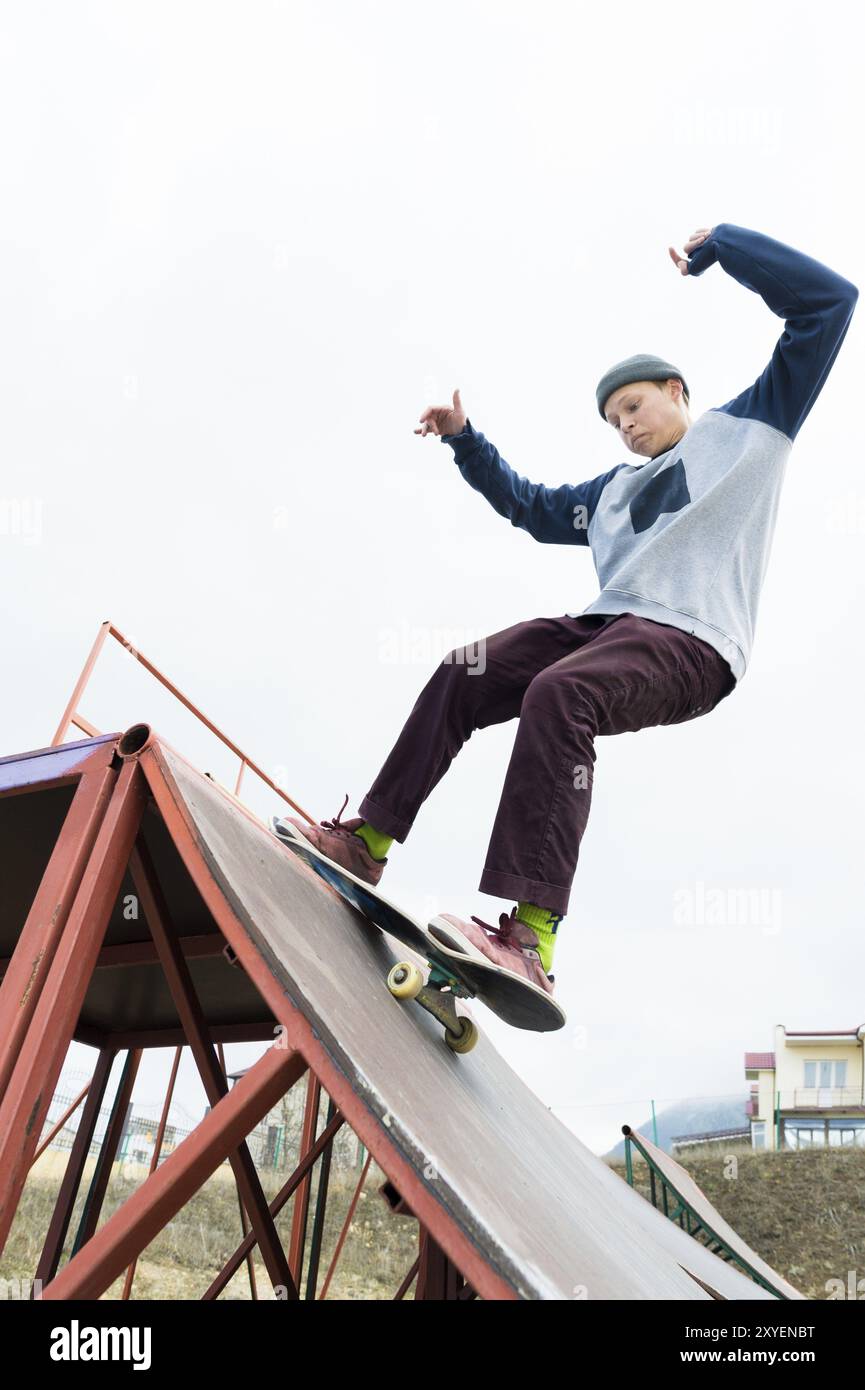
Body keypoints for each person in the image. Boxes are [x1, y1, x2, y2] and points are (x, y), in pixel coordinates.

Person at [282, 224, 857, 997]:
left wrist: (724, 245)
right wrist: (466, 442)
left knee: (562, 693)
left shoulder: (750, 431)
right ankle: (370, 839)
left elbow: (828, 305)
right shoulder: (607, 496)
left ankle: (532, 937)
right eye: (613, 418)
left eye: (635, 405)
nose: (625, 424)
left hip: (692, 643)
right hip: (603, 627)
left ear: (676, 391)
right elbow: (526, 506)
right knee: (466, 671)